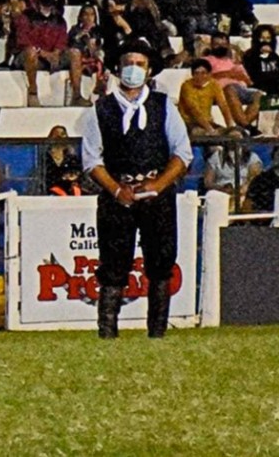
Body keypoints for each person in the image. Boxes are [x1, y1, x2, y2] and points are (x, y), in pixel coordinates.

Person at [79, 42, 193, 339]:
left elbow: (182, 153)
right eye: (128, 62)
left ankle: (157, 333)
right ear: (117, 69)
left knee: (160, 262)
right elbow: (92, 159)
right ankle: (107, 332)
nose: (133, 68)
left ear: (150, 70)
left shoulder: (163, 105)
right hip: (118, 195)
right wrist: (117, 191)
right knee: (113, 263)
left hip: (158, 193)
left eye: (140, 63)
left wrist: (158, 184)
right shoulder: (99, 110)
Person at [43, 126, 86, 196]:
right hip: (51, 190)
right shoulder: (45, 156)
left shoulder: (71, 155)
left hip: (70, 188)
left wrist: (73, 177)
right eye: (56, 134)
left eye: (62, 134)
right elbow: (44, 176)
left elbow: (78, 171)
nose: (60, 137)